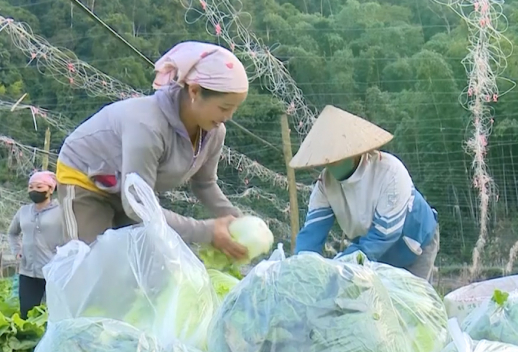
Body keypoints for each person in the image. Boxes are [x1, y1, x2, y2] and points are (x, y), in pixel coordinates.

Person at [55, 41, 249, 260]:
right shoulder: (148, 126)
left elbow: (204, 184)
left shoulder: (214, 131)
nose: (229, 116)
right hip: (87, 180)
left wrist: (238, 221)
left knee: (140, 268)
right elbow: (137, 205)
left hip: (132, 189)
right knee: (92, 265)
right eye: (224, 107)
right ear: (194, 91)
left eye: (235, 108)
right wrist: (206, 230)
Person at [291, 105, 440, 284]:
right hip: (372, 249)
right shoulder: (325, 184)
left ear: (353, 152)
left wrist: (340, 265)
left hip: (414, 239)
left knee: (413, 303)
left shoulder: (389, 171)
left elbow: (384, 234)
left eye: (336, 157)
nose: (330, 164)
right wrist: (300, 265)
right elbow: (313, 231)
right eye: (327, 159)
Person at [8, 171, 64, 319]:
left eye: (39, 187)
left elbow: (71, 236)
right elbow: (12, 233)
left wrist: (63, 256)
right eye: (31, 187)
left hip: (53, 270)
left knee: (54, 314)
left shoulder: (61, 211)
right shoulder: (24, 211)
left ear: (50, 189)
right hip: (27, 271)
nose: (34, 190)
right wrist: (17, 250)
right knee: (26, 313)